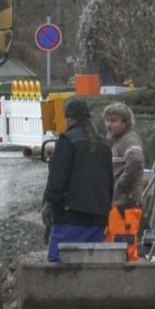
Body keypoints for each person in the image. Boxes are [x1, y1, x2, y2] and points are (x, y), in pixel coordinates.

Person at [43, 98, 113, 262]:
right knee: (91, 269)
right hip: (98, 220)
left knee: (60, 266)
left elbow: (57, 179)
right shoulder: (104, 144)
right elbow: (110, 183)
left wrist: (49, 203)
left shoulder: (68, 140)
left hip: (70, 218)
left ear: (69, 119)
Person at [105, 102, 145, 212]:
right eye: (107, 120)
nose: (108, 125)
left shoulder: (130, 140)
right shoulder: (119, 141)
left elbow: (136, 160)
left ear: (126, 123)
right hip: (120, 204)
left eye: (113, 121)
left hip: (127, 205)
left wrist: (121, 185)